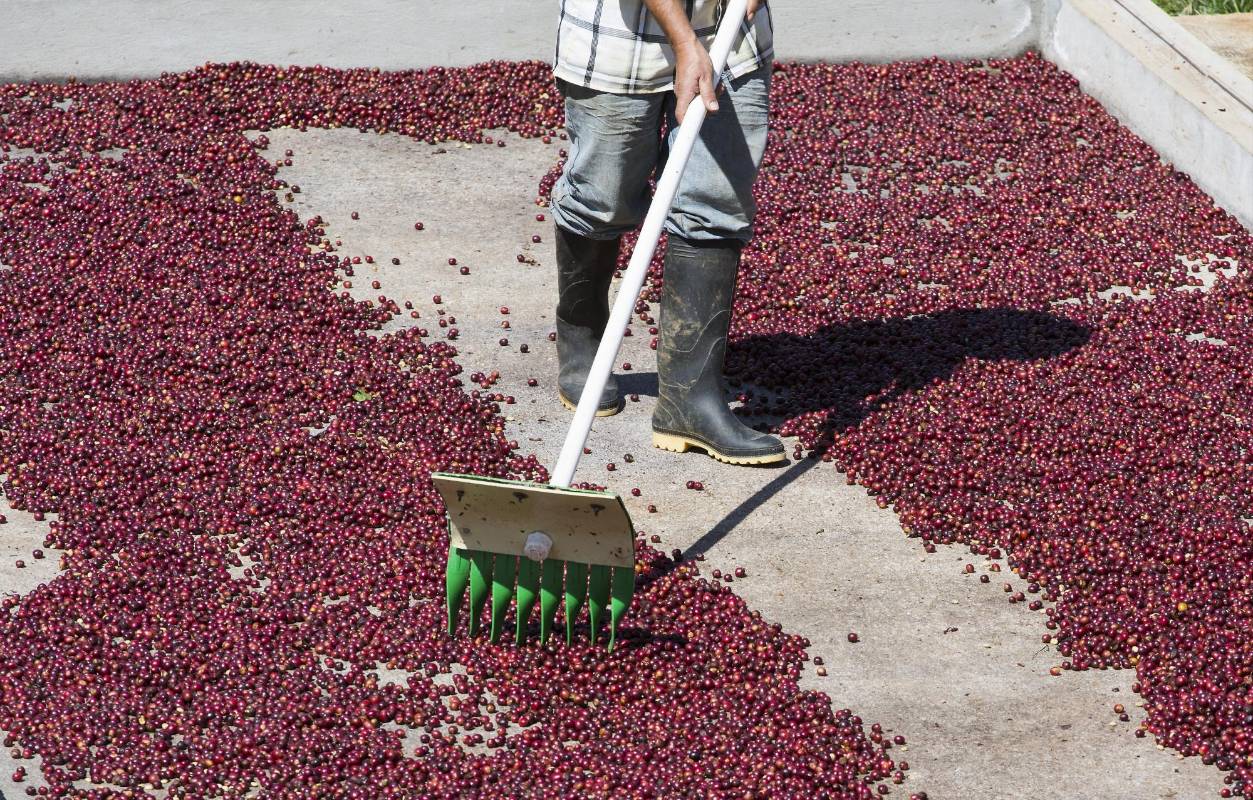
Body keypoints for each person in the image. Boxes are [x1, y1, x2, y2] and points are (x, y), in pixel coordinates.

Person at [550, 0, 785, 466]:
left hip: (730, 39)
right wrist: (684, 42)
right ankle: (583, 343)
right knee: (602, 200)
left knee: (714, 205)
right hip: (620, 41)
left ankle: (689, 401)